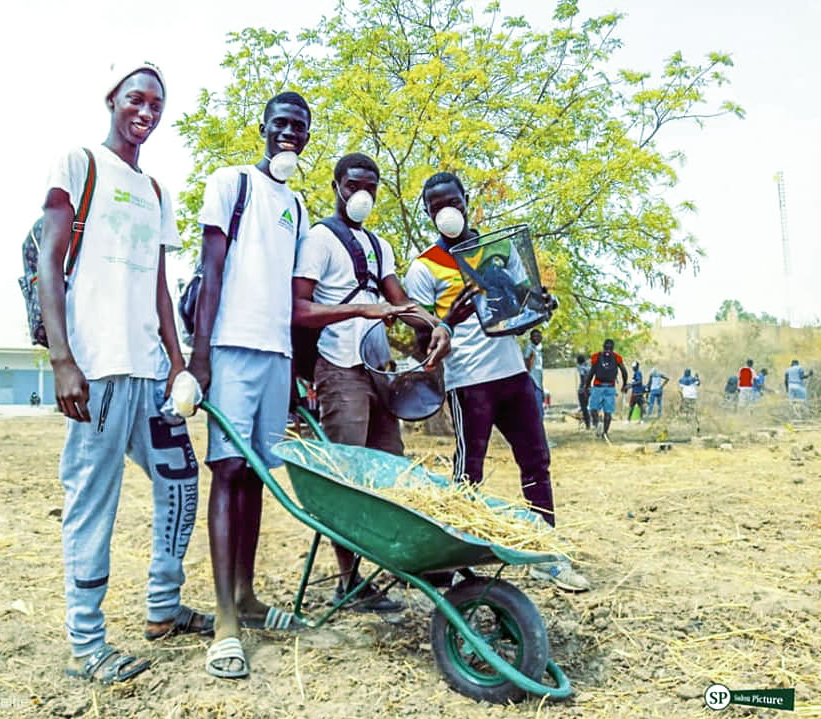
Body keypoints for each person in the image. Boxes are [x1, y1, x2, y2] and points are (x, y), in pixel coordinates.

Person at [39, 61, 204, 685]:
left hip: (150, 373)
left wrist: (179, 362)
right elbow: (49, 262)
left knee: (181, 479)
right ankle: (88, 645)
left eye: (156, 104)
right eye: (136, 98)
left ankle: (162, 607)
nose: (147, 111)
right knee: (93, 502)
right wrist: (64, 359)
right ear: (112, 98)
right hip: (99, 370)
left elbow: (159, 286)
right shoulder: (79, 165)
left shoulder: (157, 191)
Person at [404, 171, 589, 592]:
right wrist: (450, 321)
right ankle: (446, 561)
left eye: (451, 201)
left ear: (466, 200)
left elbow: (522, 307)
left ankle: (546, 553)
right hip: (469, 382)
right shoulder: (424, 266)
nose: (445, 211)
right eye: (435, 206)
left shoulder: (496, 250)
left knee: (536, 461)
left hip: (513, 374)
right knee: (469, 471)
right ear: (428, 212)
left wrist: (542, 304)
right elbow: (422, 338)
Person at [188, 91, 313, 679]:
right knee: (228, 471)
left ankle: (248, 595)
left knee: (259, 475)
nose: (289, 134)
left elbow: (292, 294)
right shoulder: (231, 183)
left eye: (300, 128)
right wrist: (200, 355)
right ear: (263, 128)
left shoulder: (299, 206)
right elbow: (212, 268)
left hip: (277, 354)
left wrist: (301, 372)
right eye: (281, 124)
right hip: (232, 348)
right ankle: (223, 620)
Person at [292, 153, 451, 613]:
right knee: (348, 472)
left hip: (378, 371)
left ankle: (392, 561)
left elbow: (399, 301)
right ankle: (349, 581)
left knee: (389, 465)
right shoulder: (319, 239)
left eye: (370, 186)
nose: (361, 194)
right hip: (338, 368)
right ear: (337, 185)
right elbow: (299, 309)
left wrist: (435, 324)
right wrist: (360, 309)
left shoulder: (379, 244)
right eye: (353, 184)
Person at [584, 339, 628, 439]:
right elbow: (624, 371)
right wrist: (624, 384)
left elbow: (591, 372)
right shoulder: (617, 357)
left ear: (603, 346)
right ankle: (605, 433)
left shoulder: (596, 356)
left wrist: (586, 385)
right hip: (610, 388)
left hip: (597, 387)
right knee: (608, 412)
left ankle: (598, 424)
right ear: (613, 347)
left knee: (593, 409)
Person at [523, 329, 544, 416]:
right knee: (537, 410)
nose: (537, 338)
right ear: (531, 338)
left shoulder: (538, 349)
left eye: (539, 336)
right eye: (535, 336)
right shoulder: (530, 348)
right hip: (533, 382)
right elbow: (527, 363)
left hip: (538, 383)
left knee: (539, 409)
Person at [575, 354, 591, 428]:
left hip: (583, 389)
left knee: (584, 407)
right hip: (590, 388)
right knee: (589, 406)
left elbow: (583, 377)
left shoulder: (581, 368)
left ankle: (588, 424)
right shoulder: (589, 366)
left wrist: (584, 387)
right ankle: (591, 422)